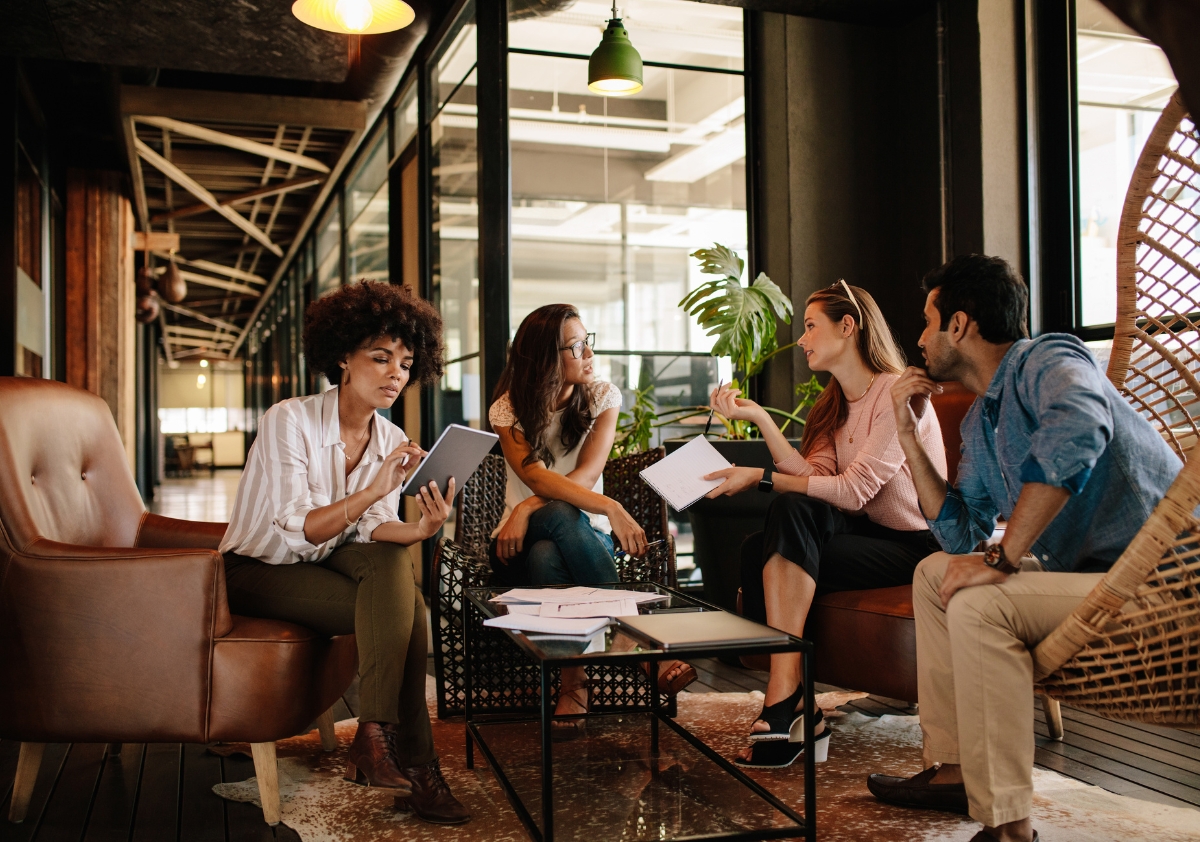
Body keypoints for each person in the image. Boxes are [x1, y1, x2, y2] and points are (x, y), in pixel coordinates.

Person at [868, 255, 1181, 842]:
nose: (918, 337)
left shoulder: (1049, 358)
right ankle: (957, 768)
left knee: (983, 604)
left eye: (926, 320)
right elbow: (960, 535)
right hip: (1096, 579)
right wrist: (908, 434)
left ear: (958, 325)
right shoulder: (982, 423)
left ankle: (1009, 827)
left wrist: (1005, 559)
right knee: (936, 574)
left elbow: (1081, 427)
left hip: (1164, 580)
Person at [219, 281, 470, 825]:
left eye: (405, 363)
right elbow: (298, 531)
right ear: (342, 357)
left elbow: (377, 532)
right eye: (380, 358)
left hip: (332, 555)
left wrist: (422, 528)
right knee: (410, 610)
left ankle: (374, 736)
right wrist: (374, 490)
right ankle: (421, 770)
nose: (394, 373)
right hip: (260, 567)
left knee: (393, 571)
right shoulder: (289, 419)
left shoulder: (390, 435)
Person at [705, 281, 946, 769]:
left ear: (848, 326)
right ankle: (798, 702)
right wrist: (760, 421)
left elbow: (854, 491)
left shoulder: (894, 393)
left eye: (811, 326)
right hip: (865, 537)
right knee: (763, 545)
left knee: (784, 516)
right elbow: (815, 479)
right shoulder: (832, 404)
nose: (802, 339)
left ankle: (785, 698)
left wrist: (760, 478)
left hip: (915, 543)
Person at [488, 303, 696, 736]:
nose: (588, 354)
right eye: (575, 346)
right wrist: (610, 507)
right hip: (516, 542)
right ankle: (638, 647)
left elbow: (585, 474)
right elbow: (534, 475)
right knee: (551, 529)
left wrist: (529, 504)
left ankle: (574, 684)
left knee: (550, 554)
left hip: (577, 537)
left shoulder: (603, 396)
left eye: (588, 341)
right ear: (546, 358)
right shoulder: (507, 409)